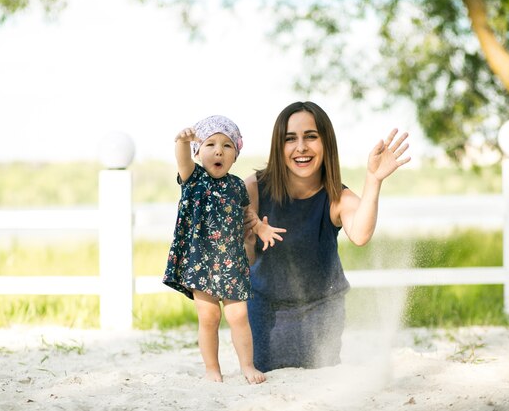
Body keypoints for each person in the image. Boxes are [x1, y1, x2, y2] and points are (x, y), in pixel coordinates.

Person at [243, 101, 411, 372]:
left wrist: (373, 180)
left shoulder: (336, 197)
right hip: (266, 308)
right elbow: (245, 259)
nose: (301, 147)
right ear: (279, 146)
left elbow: (360, 234)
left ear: (326, 143)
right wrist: (248, 243)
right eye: (290, 139)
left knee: (322, 373)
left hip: (323, 308)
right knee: (264, 373)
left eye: (311, 136)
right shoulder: (252, 188)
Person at [163, 115, 286, 384]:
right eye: (210, 144)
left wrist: (260, 228)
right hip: (200, 262)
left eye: (227, 145)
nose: (219, 150)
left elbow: (247, 215)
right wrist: (183, 141)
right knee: (209, 317)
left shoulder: (237, 186)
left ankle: (247, 366)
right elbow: (182, 159)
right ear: (198, 152)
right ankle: (212, 369)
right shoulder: (193, 178)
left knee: (239, 316)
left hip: (231, 262)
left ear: (235, 155)